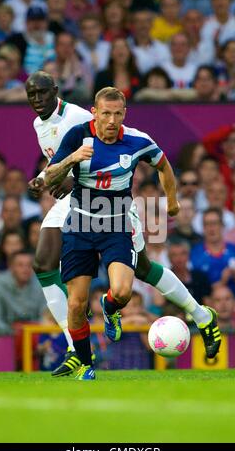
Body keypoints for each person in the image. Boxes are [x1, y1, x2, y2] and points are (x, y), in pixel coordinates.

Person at [45, 87, 221, 380]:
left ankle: (113, 307)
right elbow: (50, 174)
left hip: (118, 220)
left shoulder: (137, 140)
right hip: (80, 220)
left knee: (127, 285)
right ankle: (86, 361)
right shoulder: (75, 135)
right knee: (78, 298)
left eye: (117, 114)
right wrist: (69, 163)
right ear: (94, 113)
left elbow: (162, 164)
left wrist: (173, 201)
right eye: (105, 114)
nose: (111, 121)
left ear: (124, 114)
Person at [26, 71, 92, 376]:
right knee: (42, 263)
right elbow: (57, 162)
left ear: (55, 91)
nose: (37, 100)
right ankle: (74, 346)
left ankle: (200, 315)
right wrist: (42, 180)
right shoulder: (38, 125)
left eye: (41, 93)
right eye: (31, 95)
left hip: (97, 195)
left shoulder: (77, 116)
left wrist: (70, 178)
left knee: (140, 269)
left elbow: (101, 152)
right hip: (69, 198)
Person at [0, 250, 47, 332]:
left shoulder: (41, 284)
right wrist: (13, 333)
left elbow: (45, 318)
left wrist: (32, 331)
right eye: (20, 265)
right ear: (11, 267)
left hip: (34, 334)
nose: (25, 269)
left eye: (29, 265)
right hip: (6, 336)